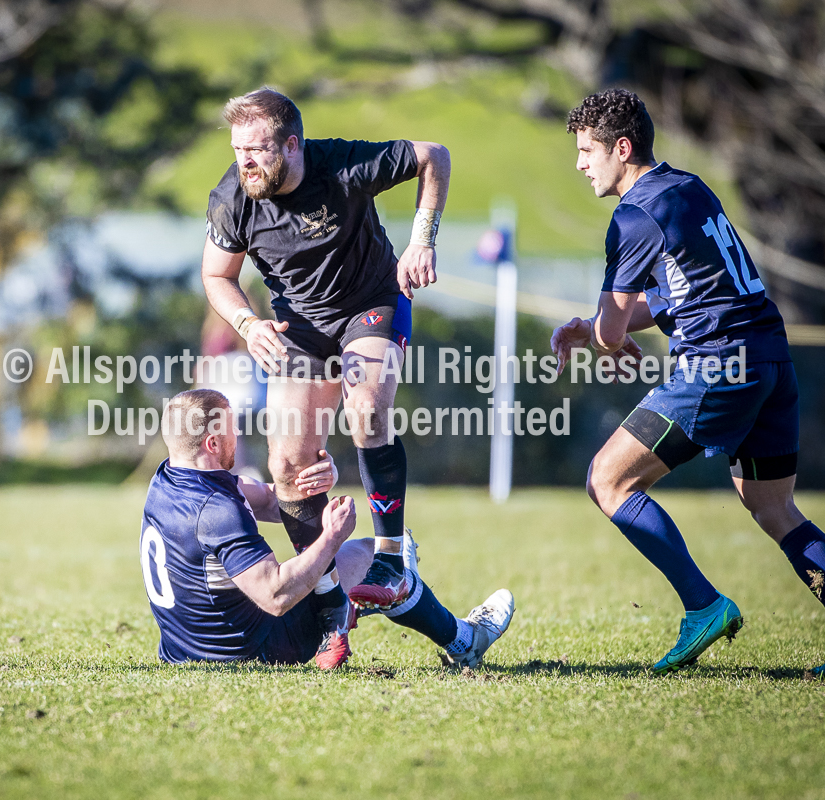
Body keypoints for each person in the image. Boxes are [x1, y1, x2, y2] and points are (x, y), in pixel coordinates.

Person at [551, 88, 825, 676]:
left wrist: (595, 334)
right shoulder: (688, 188)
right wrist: (604, 328)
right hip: (770, 359)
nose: (580, 163)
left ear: (621, 149)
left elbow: (612, 327)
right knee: (772, 505)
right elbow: (679, 292)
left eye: (587, 151)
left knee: (608, 479)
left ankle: (703, 606)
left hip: (719, 365)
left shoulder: (632, 216)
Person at [201, 87, 452, 666]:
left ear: (293, 145)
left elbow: (432, 155)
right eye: (239, 150)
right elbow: (217, 276)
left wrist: (423, 238)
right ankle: (327, 603)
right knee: (288, 466)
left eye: (258, 150)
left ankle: (390, 552)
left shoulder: (342, 164)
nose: (246, 162)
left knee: (365, 405)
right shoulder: (232, 197)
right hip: (301, 329)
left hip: (372, 302)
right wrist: (246, 322)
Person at [139, 388, 514, 670]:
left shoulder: (167, 482)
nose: (240, 436)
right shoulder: (216, 510)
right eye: (234, 429)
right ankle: (466, 640)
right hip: (255, 650)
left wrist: (321, 478)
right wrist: (331, 537)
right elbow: (275, 595)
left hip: (182, 652)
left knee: (381, 569)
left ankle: (379, 611)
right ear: (213, 442)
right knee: (382, 557)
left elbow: (271, 501)